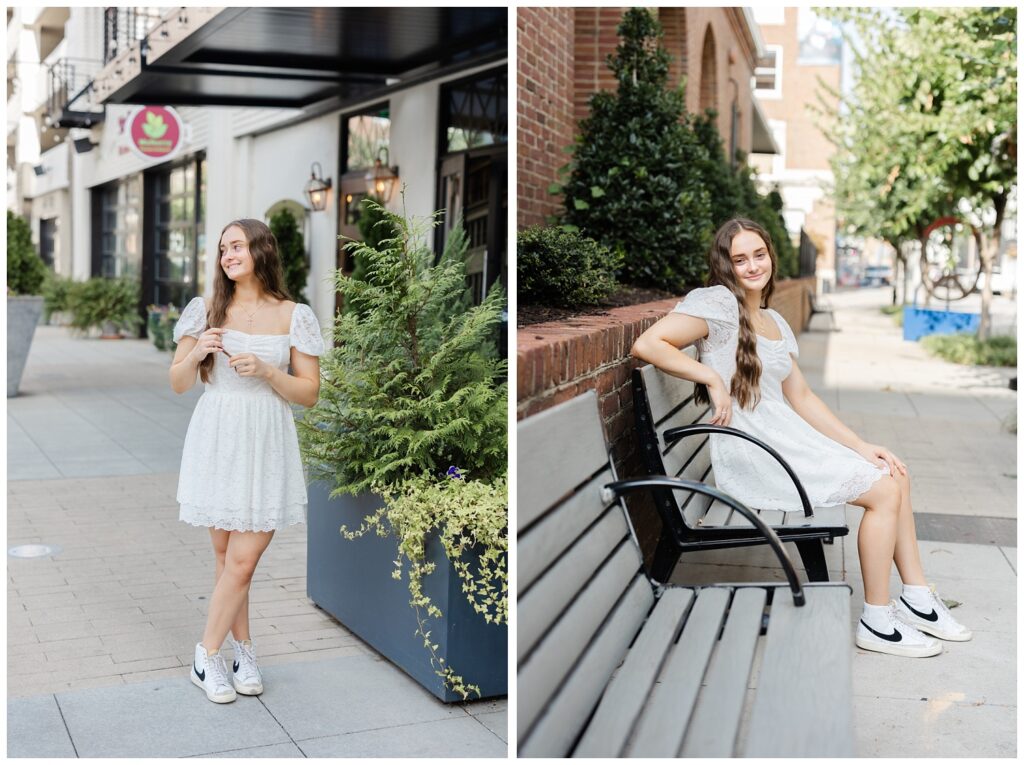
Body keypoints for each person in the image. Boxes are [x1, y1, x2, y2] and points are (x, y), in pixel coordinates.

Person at [631, 218, 971, 658]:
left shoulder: (772, 319)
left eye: (759, 254)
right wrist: (710, 378)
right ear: (726, 266)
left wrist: (861, 446)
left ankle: (919, 599)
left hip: (784, 441)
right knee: (885, 492)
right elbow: (648, 344)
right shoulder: (716, 303)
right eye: (740, 259)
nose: (753, 265)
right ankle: (877, 620)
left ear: (770, 255)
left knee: (893, 472)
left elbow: (804, 398)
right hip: (755, 454)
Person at [169, 218, 325, 702]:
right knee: (227, 559)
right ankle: (244, 652)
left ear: (261, 249)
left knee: (244, 557)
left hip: (266, 438)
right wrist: (198, 355)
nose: (227, 255)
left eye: (236, 246)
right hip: (218, 435)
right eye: (222, 249)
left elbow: (310, 392)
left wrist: (267, 371)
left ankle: (205, 654)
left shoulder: (293, 314)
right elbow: (176, 381)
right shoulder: (207, 309)